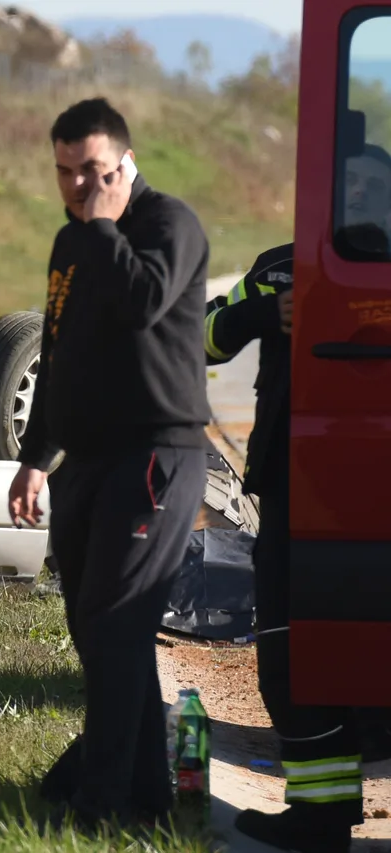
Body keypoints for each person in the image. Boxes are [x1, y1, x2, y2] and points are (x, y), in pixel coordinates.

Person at [8, 97, 214, 831]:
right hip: (87, 459)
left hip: (159, 451)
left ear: (125, 164)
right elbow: (61, 356)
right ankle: (145, 790)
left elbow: (142, 300)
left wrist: (100, 226)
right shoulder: (73, 242)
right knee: (94, 628)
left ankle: (101, 805)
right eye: (64, 173)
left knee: (118, 620)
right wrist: (36, 460)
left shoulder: (169, 225)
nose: (78, 187)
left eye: (92, 171)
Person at [206, 143, 391, 853]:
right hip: (294, 484)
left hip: (366, 481)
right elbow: (202, 340)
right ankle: (320, 815)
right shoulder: (280, 267)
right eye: (351, 187)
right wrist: (265, 310)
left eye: (377, 188)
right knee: (290, 652)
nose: (362, 199)